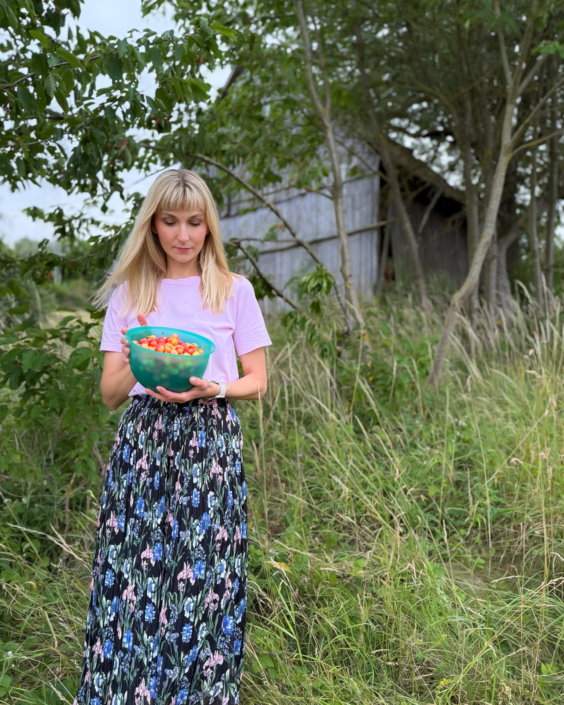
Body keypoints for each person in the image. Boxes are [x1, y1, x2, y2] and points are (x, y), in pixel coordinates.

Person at [73, 168, 272, 705]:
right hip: (143, 441)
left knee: (204, 578)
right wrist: (139, 355)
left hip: (209, 440)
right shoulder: (130, 294)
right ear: (152, 226)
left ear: (209, 227)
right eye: (170, 221)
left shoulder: (234, 290)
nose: (183, 235)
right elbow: (110, 394)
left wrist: (215, 388)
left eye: (194, 222)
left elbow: (258, 380)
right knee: (131, 573)